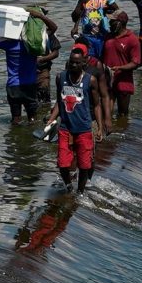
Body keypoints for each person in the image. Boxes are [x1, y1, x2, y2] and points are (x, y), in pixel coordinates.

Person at [44, 53, 99, 192]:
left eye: (77, 63)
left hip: (84, 128)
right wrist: (52, 119)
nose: (73, 65)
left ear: (83, 64)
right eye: (71, 62)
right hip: (65, 128)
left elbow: (97, 105)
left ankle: (80, 191)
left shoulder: (90, 80)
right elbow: (59, 101)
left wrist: (100, 127)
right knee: (62, 163)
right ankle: (69, 187)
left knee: (84, 165)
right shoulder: (60, 77)